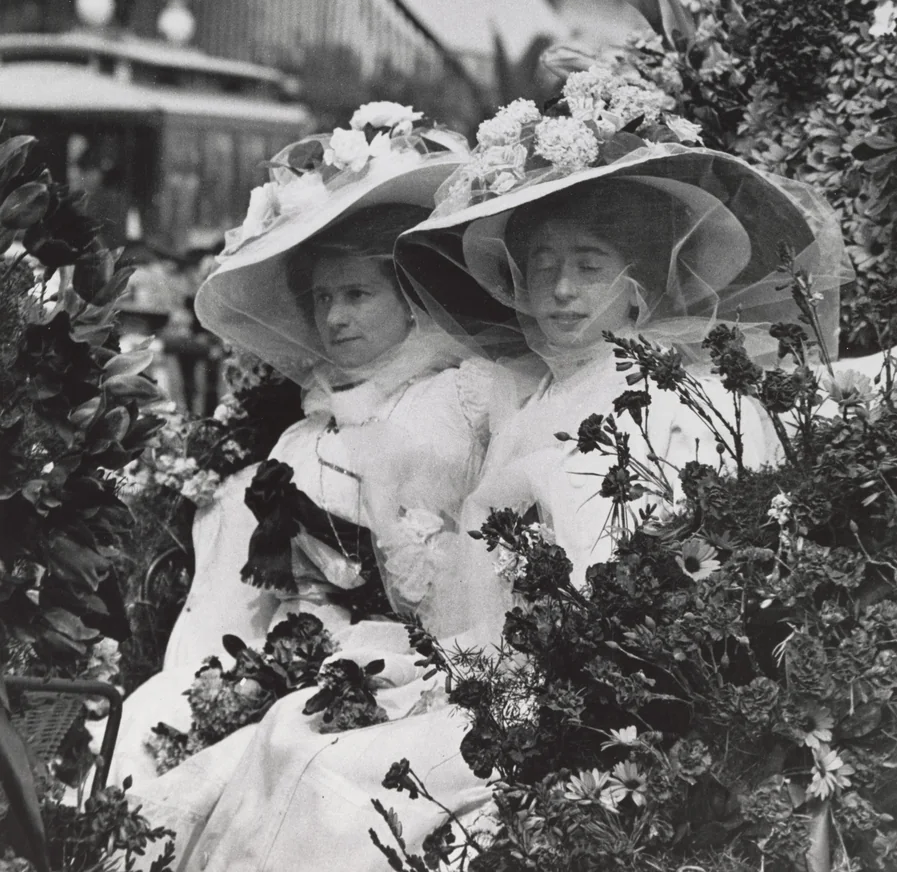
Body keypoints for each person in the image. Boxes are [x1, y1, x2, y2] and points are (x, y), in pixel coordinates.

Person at [174, 108, 848, 872]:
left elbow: (649, 594)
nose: (559, 289)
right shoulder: (529, 395)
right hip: (502, 677)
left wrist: (515, 681)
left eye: (588, 266)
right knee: (287, 733)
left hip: (596, 707)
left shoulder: (679, 404)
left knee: (326, 774)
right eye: (542, 266)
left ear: (640, 286)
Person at [113, 108, 532, 859]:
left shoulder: (456, 404)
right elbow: (252, 594)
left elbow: (466, 580)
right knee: (150, 713)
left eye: (357, 295)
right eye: (322, 299)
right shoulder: (303, 434)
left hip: (405, 663)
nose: (335, 318)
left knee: (285, 757)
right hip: (285, 651)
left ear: (410, 297)